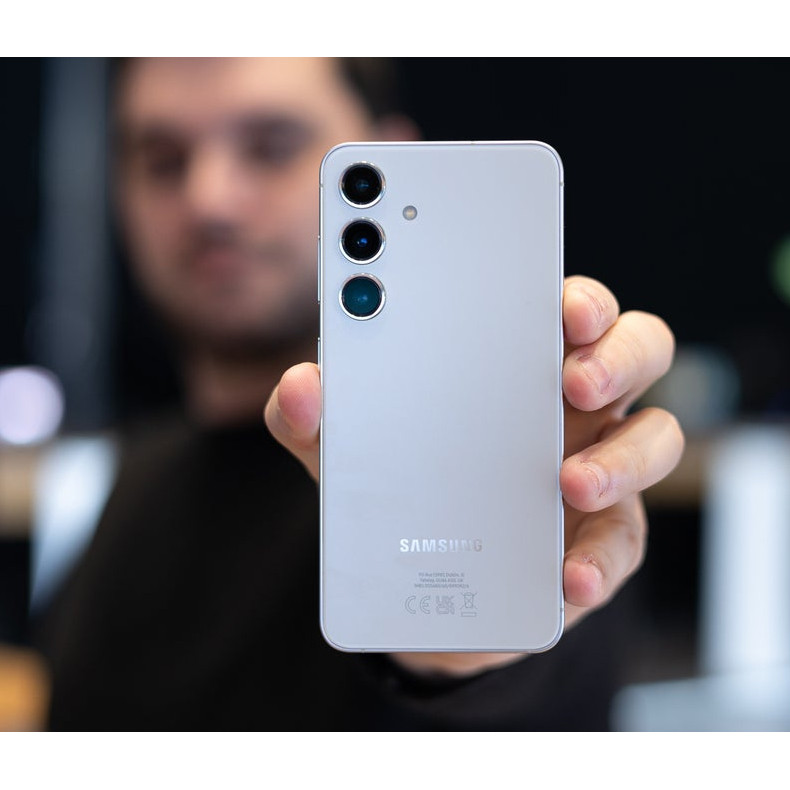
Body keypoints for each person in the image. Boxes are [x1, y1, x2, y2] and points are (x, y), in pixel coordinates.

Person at [33, 57, 683, 729]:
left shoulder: (484, 471)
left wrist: (458, 660)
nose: (209, 199)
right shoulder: (137, 479)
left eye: (272, 147)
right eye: (164, 161)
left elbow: (515, 699)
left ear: (392, 154)